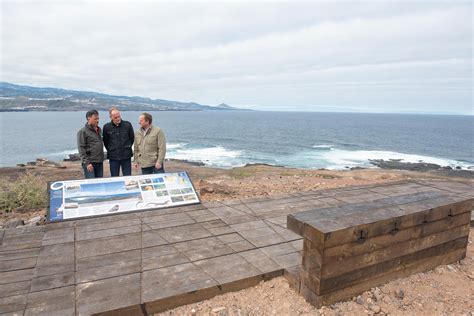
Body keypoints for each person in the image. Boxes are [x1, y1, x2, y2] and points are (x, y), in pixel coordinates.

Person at [103, 107, 135, 177]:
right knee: (114, 177)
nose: (118, 119)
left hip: (126, 156)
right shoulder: (106, 127)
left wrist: (126, 147)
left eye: (119, 116)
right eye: (115, 117)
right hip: (113, 157)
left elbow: (132, 138)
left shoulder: (128, 125)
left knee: (127, 177)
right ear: (110, 117)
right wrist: (112, 149)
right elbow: (106, 141)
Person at [77, 109, 104, 178]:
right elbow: (81, 148)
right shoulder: (82, 131)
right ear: (89, 119)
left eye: (98, 118)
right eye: (95, 119)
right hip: (90, 163)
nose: (97, 120)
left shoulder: (99, 130)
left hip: (99, 162)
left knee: (99, 184)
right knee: (92, 185)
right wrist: (87, 163)